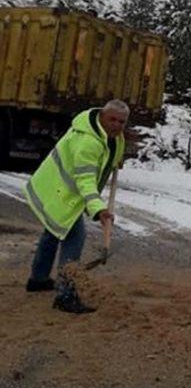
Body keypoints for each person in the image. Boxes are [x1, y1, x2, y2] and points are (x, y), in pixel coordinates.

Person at [24, 99, 130, 314]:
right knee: (74, 237)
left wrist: (116, 159)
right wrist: (99, 209)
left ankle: (38, 279)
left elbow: (114, 150)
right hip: (56, 191)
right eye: (113, 119)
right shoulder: (88, 143)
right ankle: (66, 295)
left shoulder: (111, 135)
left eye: (122, 122)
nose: (117, 125)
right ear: (102, 116)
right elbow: (85, 180)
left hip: (59, 190)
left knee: (53, 232)